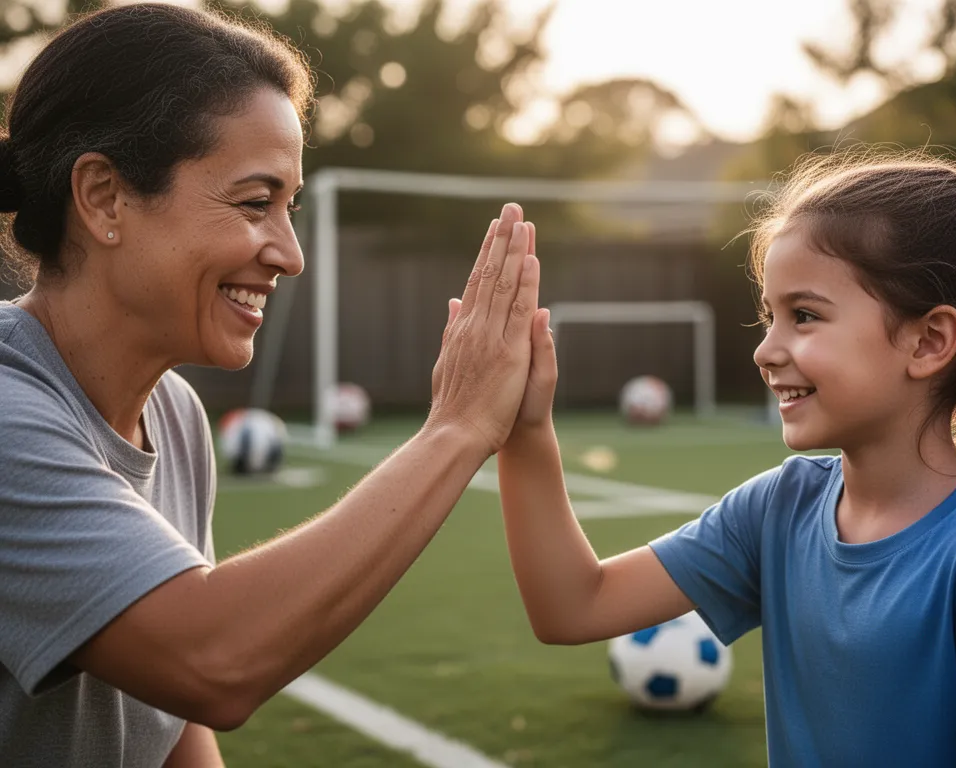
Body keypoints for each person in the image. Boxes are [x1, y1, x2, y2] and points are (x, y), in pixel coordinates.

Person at [0, 4, 546, 766]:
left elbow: (172, 711)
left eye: (288, 207)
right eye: (256, 203)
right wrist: (456, 428)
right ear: (102, 197)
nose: (289, 254)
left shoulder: (175, 414)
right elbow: (209, 659)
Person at [496, 151, 956, 767]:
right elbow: (571, 605)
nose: (765, 351)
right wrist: (525, 427)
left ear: (929, 341)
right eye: (770, 315)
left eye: (804, 316)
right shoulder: (778, 508)